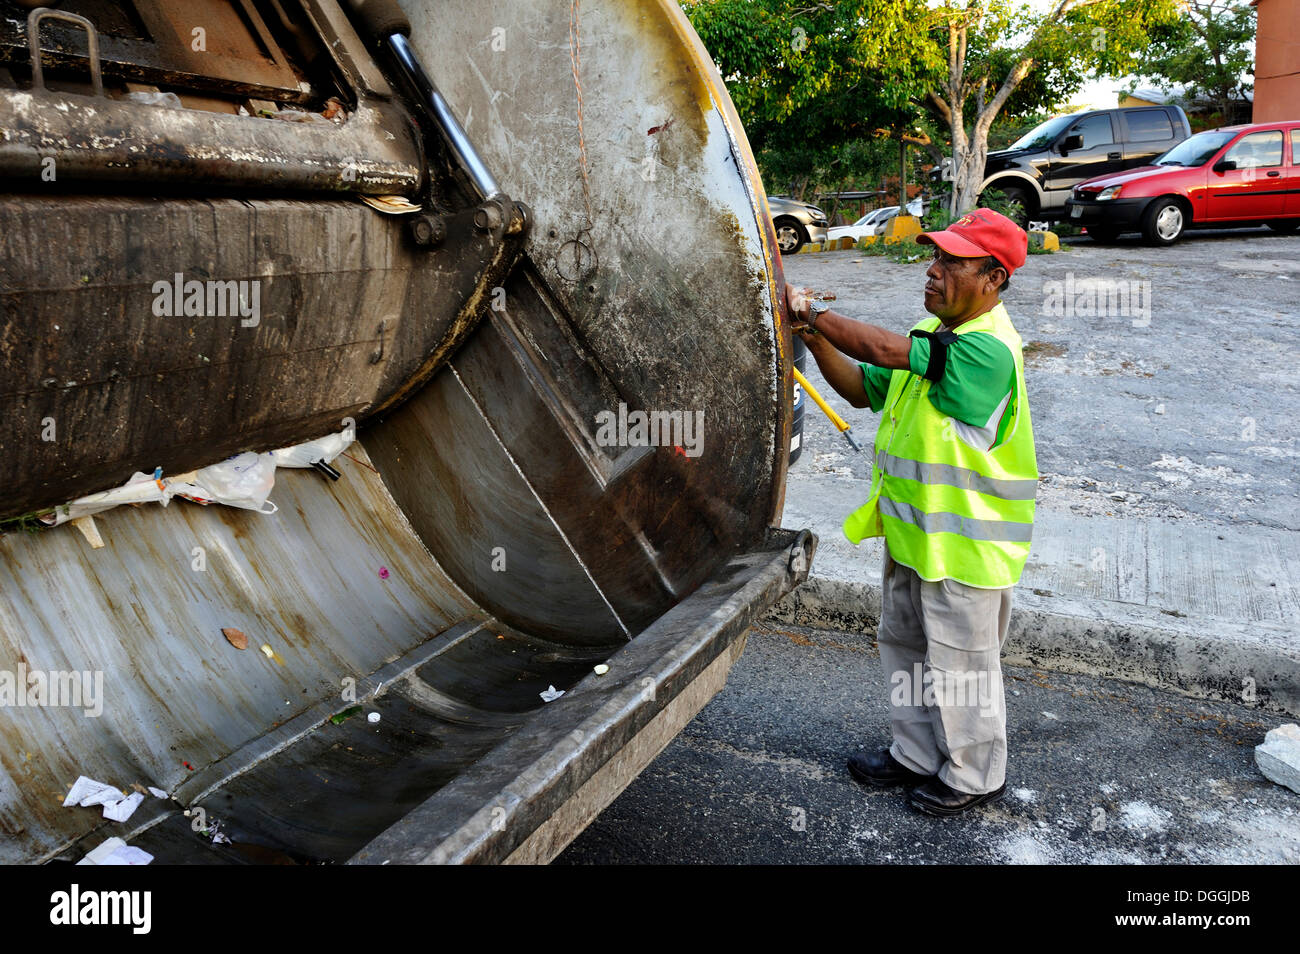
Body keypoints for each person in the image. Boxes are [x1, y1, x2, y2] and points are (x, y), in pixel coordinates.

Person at [786, 208, 1037, 817]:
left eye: (953, 261)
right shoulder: (934, 331)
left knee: (960, 665)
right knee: (908, 649)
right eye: (936, 256)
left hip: (965, 550)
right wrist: (814, 336)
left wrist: (814, 312)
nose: (934, 269)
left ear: (993, 278)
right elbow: (860, 385)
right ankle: (917, 754)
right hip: (913, 537)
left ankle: (976, 774)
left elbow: (879, 348)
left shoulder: (988, 351)